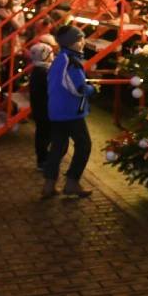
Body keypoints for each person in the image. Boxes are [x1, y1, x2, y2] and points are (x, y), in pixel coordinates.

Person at [42, 25, 95, 199]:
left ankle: (49, 185)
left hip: (56, 110)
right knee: (84, 145)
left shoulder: (60, 59)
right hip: (70, 112)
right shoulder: (71, 61)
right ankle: (72, 182)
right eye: (80, 39)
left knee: (58, 147)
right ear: (72, 43)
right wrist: (91, 89)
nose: (83, 42)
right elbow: (78, 88)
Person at [28, 41, 55, 172]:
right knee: (45, 135)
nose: (53, 55)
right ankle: (43, 161)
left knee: (42, 134)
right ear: (44, 56)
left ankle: (42, 160)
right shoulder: (44, 72)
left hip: (39, 108)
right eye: (51, 53)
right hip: (45, 109)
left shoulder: (38, 69)